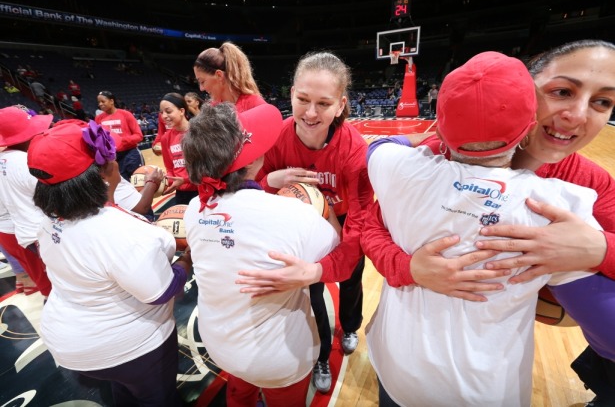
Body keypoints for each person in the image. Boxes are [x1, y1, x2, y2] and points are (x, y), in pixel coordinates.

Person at [360, 40, 615, 406]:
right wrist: (408, 266)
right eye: (562, 92)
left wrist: (600, 249)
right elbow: (369, 224)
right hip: (446, 372)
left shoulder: (590, 183)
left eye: (602, 102)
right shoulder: (434, 154)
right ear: (526, 94)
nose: (578, 115)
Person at [182, 102, 339, 406]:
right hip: (276, 358)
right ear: (251, 161)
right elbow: (338, 248)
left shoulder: (192, 211)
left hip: (220, 344)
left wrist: (267, 183)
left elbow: (241, 216)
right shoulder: (293, 214)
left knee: (240, 393)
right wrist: (322, 204)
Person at [26, 120, 191, 406]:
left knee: (123, 392)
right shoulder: (119, 232)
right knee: (159, 399)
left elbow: (106, 224)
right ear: (105, 170)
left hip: (69, 339)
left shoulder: (48, 221)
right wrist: (188, 259)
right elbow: (162, 291)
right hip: (128, 345)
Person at [250, 51, 374, 393]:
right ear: (291, 93)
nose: (310, 113)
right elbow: (250, 198)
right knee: (312, 292)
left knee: (350, 281)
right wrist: (269, 182)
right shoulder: (274, 137)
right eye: (303, 99)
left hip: (346, 222)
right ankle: (321, 355)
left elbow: (362, 220)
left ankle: (350, 325)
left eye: (323, 103)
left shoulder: (354, 149)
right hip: (296, 227)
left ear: (340, 105)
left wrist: (336, 259)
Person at [0, 105, 53, 298]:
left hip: (13, 230)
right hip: (37, 231)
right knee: (55, 283)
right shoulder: (25, 161)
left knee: (39, 278)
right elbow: (50, 198)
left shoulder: (4, 158)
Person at [193, 41, 266, 112]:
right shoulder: (212, 108)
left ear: (219, 75)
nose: (201, 88)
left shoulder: (256, 106)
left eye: (202, 81)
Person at [159, 93, 198, 205]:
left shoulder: (199, 132)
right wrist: (166, 182)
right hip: (182, 192)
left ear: (182, 111)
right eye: (162, 112)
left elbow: (209, 166)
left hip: (203, 189)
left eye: (168, 111)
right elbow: (170, 167)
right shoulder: (166, 138)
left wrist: (185, 179)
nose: (164, 116)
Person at [95, 90, 144, 181]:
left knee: (138, 184)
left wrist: (121, 141)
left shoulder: (126, 114)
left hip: (130, 154)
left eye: (103, 101)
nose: (100, 104)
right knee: (122, 186)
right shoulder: (98, 119)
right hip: (112, 158)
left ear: (111, 101)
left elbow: (139, 136)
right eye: (99, 102)